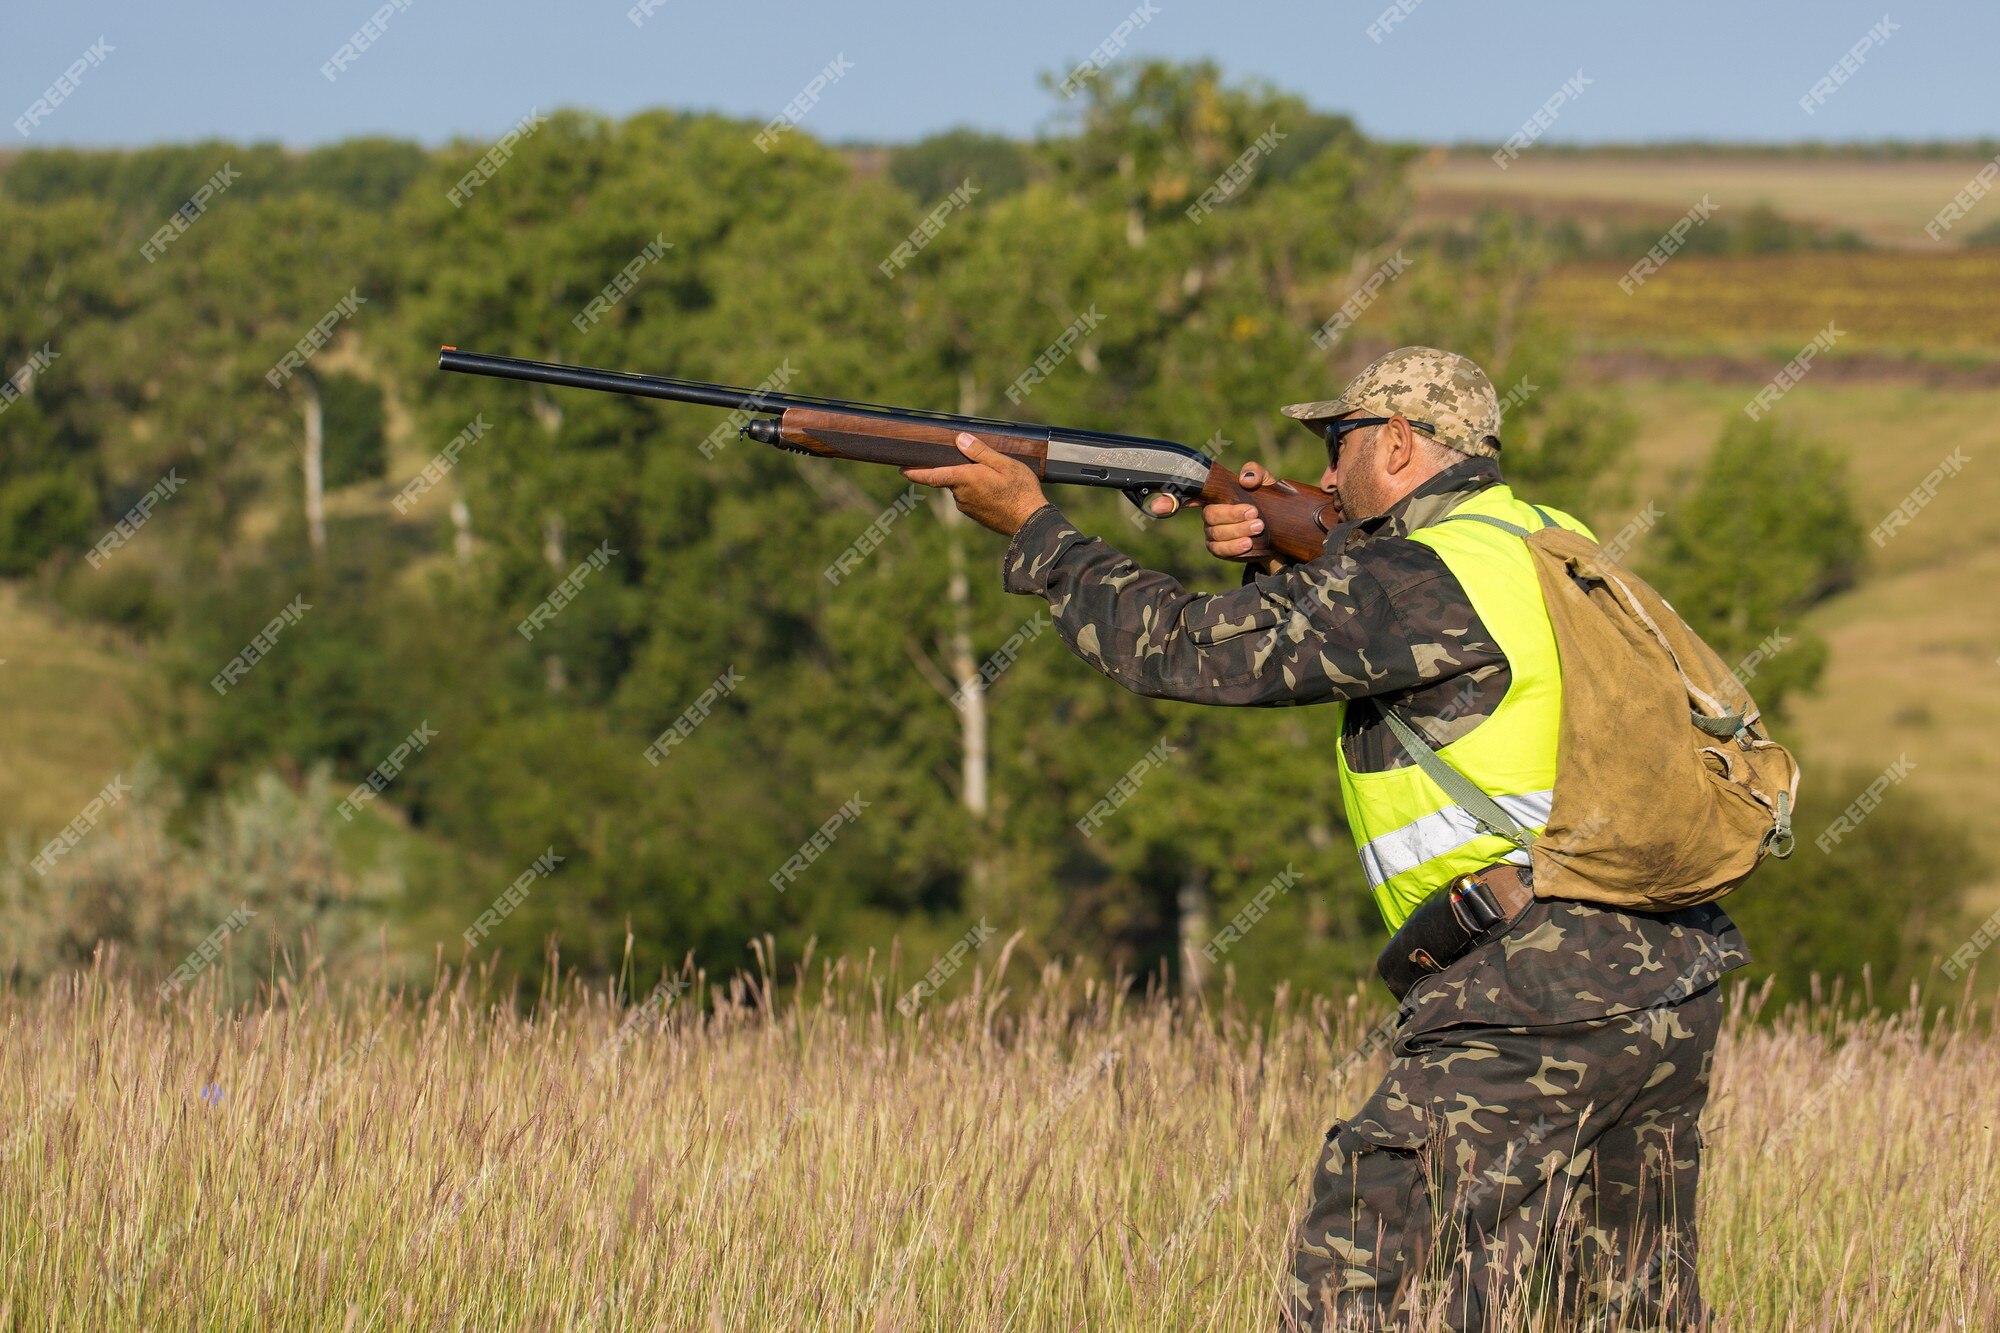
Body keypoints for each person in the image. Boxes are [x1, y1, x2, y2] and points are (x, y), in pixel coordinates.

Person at [901, 347, 1742, 1329]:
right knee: (1622, 1301)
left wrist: (1037, 532)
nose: (1325, 476)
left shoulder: (1421, 576)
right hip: (1665, 972)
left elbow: (1182, 646)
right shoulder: (1547, 536)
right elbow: (1424, 642)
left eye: (1335, 447)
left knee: (1369, 1272)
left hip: (1531, 980)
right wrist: (1277, 556)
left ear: (1395, 441)